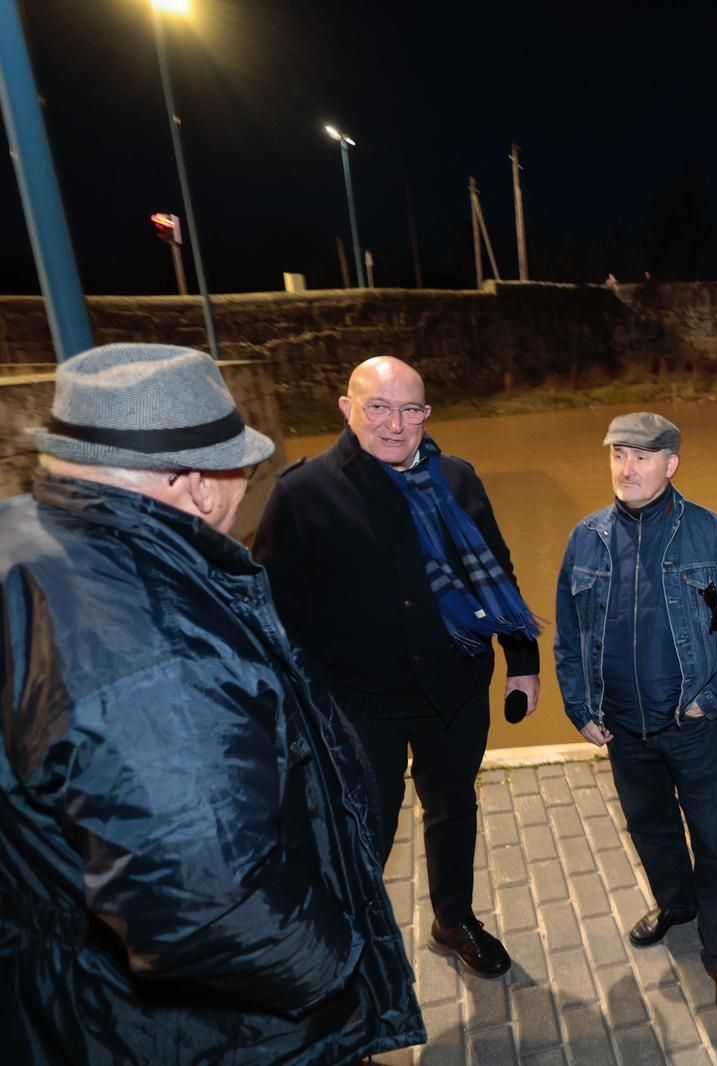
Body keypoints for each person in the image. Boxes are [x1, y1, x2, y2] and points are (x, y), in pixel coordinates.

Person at [0, 343, 424, 1063]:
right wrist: (337, 970)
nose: (243, 492)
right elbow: (208, 906)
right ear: (198, 485)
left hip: (58, 984)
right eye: (243, 471)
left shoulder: (20, 540)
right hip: (187, 1032)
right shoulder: (164, 647)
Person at [255, 356, 542, 980]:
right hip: (359, 706)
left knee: (453, 808)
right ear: (346, 409)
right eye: (378, 407)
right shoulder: (303, 493)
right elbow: (277, 616)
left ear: (426, 414)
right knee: (362, 830)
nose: (394, 424)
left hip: (455, 689)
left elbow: (497, 572)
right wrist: (300, 708)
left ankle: (454, 919)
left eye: (410, 409)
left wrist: (523, 660)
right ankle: (349, 947)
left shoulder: (458, 479)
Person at [553, 412, 717, 1021]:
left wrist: (713, 699)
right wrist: (579, 706)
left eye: (642, 457)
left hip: (691, 722)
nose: (627, 469)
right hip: (622, 726)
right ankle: (677, 904)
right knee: (651, 829)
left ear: (671, 464)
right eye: (618, 454)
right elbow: (569, 636)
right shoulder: (587, 539)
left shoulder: (712, 535)